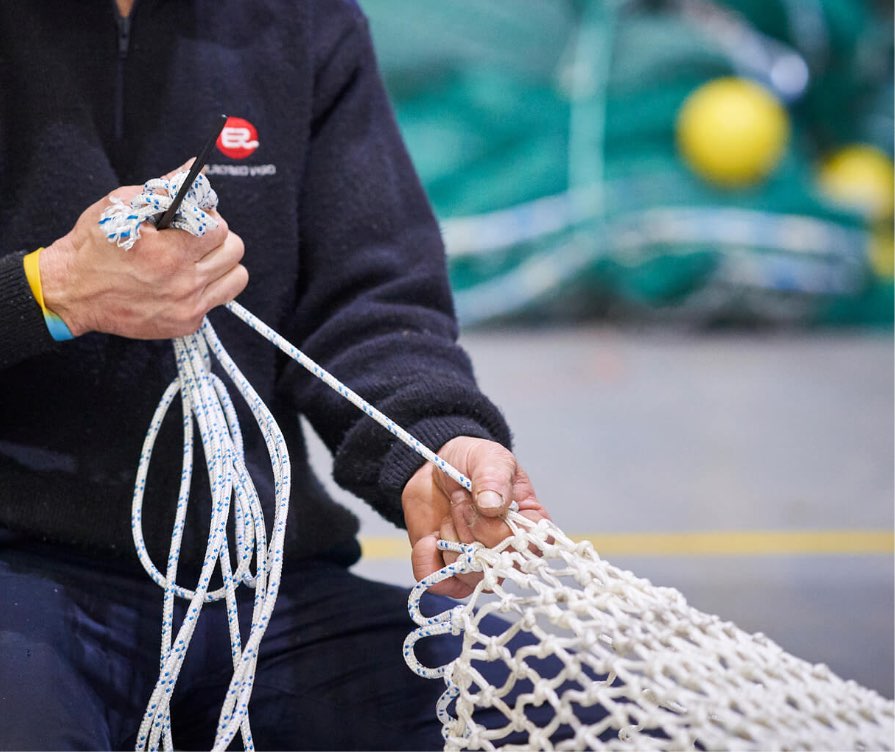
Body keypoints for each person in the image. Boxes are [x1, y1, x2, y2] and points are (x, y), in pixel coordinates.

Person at [0, 0, 549, 749]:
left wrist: (427, 448)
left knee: (563, 712)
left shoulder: (298, 19)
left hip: (255, 586)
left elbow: (367, 303)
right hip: (18, 573)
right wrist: (45, 293)